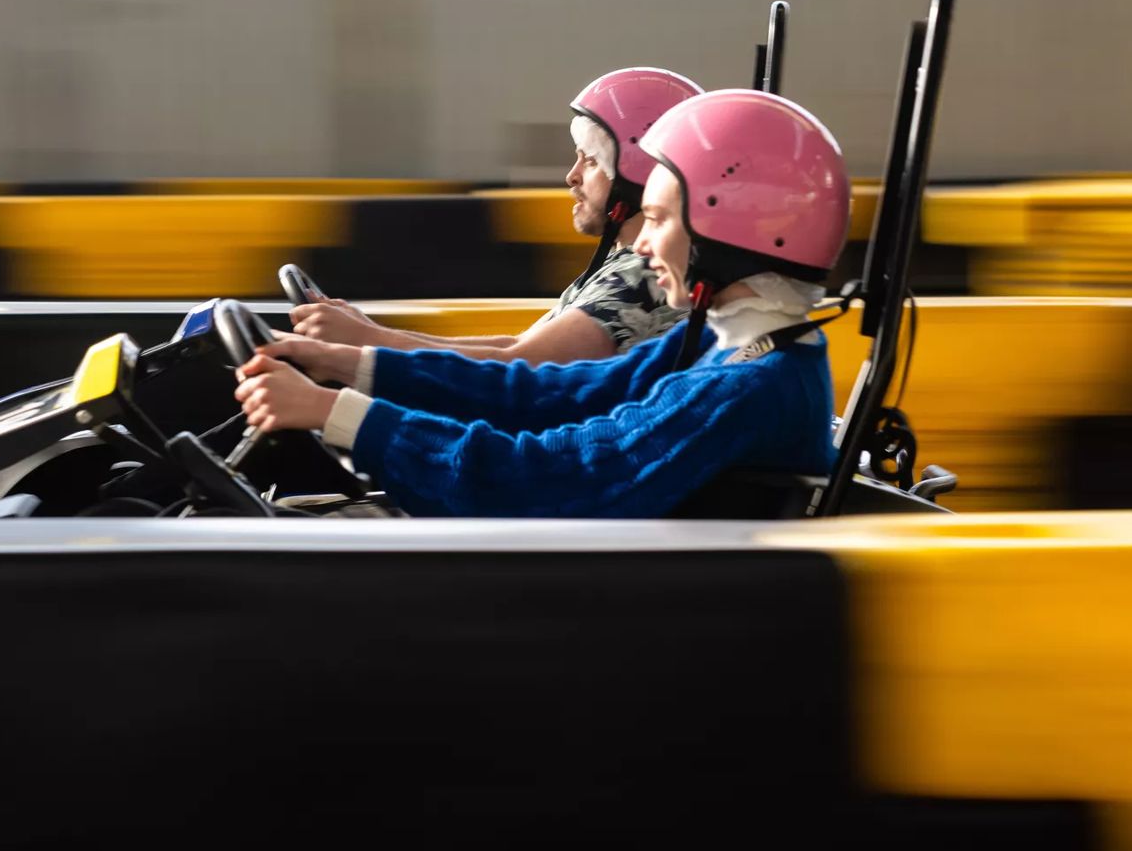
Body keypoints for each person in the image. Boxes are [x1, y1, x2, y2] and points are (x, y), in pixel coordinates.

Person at [234, 89, 849, 518]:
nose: (643, 241)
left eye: (659, 220)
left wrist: (339, 413)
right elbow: (545, 393)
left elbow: (552, 478)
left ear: (729, 230)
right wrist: (350, 368)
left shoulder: (748, 386)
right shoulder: (724, 346)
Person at [289, 68, 701, 364]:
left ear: (634, 172)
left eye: (589, 161)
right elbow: (516, 345)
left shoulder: (647, 275)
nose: (571, 176)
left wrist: (367, 342)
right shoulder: (627, 262)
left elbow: (523, 366)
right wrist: (370, 335)